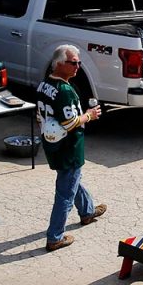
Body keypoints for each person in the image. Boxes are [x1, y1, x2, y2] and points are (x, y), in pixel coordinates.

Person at [37, 45, 106, 252]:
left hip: (52, 143)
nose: (78, 66)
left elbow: (39, 116)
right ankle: (55, 237)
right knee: (66, 192)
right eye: (73, 62)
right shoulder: (65, 91)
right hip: (69, 146)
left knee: (72, 179)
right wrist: (89, 115)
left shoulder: (44, 84)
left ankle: (87, 211)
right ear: (59, 64)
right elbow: (69, 123)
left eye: (78, 62)